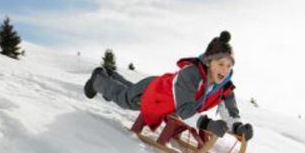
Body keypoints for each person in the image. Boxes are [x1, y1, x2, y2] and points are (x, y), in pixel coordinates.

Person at [84, 31, 253, 140]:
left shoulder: (224, 86)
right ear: (209, 62)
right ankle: (98, 78)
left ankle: (110, 74)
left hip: (166, 101)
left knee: (127, 90)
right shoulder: (191, 74)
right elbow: (185, 110)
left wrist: (238, 127)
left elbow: (229, 111)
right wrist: (207, 125)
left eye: (229, 66)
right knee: (124, 98)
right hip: (154, 92)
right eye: (221, 63)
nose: (225, 70)